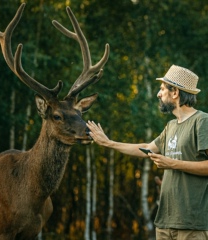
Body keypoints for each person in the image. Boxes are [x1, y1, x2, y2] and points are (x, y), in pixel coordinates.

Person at [87, 65, 208, 240]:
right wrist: (109, 143)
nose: (159, 94)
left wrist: (171, 163)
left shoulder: (202, 121)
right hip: (165, 223)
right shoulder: (171, 126)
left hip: (192, 225)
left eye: (162, 89)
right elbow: (146, 149)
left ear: (175, 93)